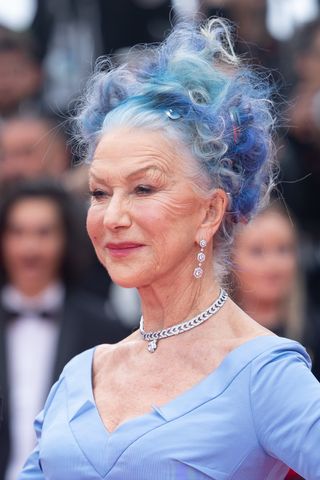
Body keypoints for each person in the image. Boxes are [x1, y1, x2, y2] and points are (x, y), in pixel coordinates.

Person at [20, 19, 320, 479]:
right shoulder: (80, 376)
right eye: (100, 193)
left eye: (143, 188)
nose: (113, 216)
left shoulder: (265, 374)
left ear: (209, 212)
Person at [0, 180, 128, 480]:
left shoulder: (107, 331)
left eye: (44, 233)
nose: (30, 248)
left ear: (65, 239)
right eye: (17, 232)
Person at [231, 203, 304, 340]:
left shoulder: (313, 332)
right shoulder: (217, 337)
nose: (273, 264)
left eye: (283, 249)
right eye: (257, 251)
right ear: (231, 259)